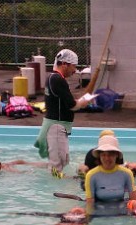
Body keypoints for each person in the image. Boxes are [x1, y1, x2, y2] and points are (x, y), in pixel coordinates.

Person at [34, 49, 96, 178]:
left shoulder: (53, 78)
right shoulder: (57, 80)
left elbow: (67, 102)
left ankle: (57, 179)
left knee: (63, 161)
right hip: (56, 127)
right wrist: (85, 100)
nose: (75, 70)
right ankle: (57, 186)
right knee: (57, 165)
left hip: (56, 126)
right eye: (73, 66)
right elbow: (73, 106)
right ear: (64, 64)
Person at [84, 135, 136, 208]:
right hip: (99, 210)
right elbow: (90, 203)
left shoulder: (127, 173)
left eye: (111, 155)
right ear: (99, 156)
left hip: (120, 208)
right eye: (103, 155)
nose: (107, 158)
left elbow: (134, 200)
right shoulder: (91, 175)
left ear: (117, 155)